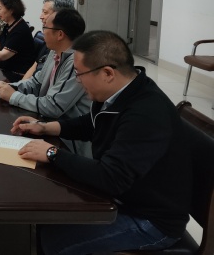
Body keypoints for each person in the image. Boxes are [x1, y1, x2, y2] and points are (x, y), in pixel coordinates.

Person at [12, 30, 191, 254]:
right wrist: (45, 127)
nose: (78, 80)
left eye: (79, 73)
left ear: (107, 73)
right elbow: (92, 123)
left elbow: (111, 177)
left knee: (53, 241)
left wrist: (53, 154)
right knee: (44, 220)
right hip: (124, 198)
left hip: (151, 221)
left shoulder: (146, 112)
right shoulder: (119, 92)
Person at [0, 8, 91, 156]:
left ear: (60, 34)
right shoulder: (54, 52)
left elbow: (54, 106)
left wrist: (13, 96)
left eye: (45, 27)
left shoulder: (76, 62)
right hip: (46, 124)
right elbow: (36, 82)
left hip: (67, 142)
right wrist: (11, 87)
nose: (43, 32)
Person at [22, 0, 75, 80]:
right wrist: (16, 87)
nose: (41, 17)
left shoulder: (72, 59)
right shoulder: (50, 45)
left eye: (45, 12)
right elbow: (36, 70)